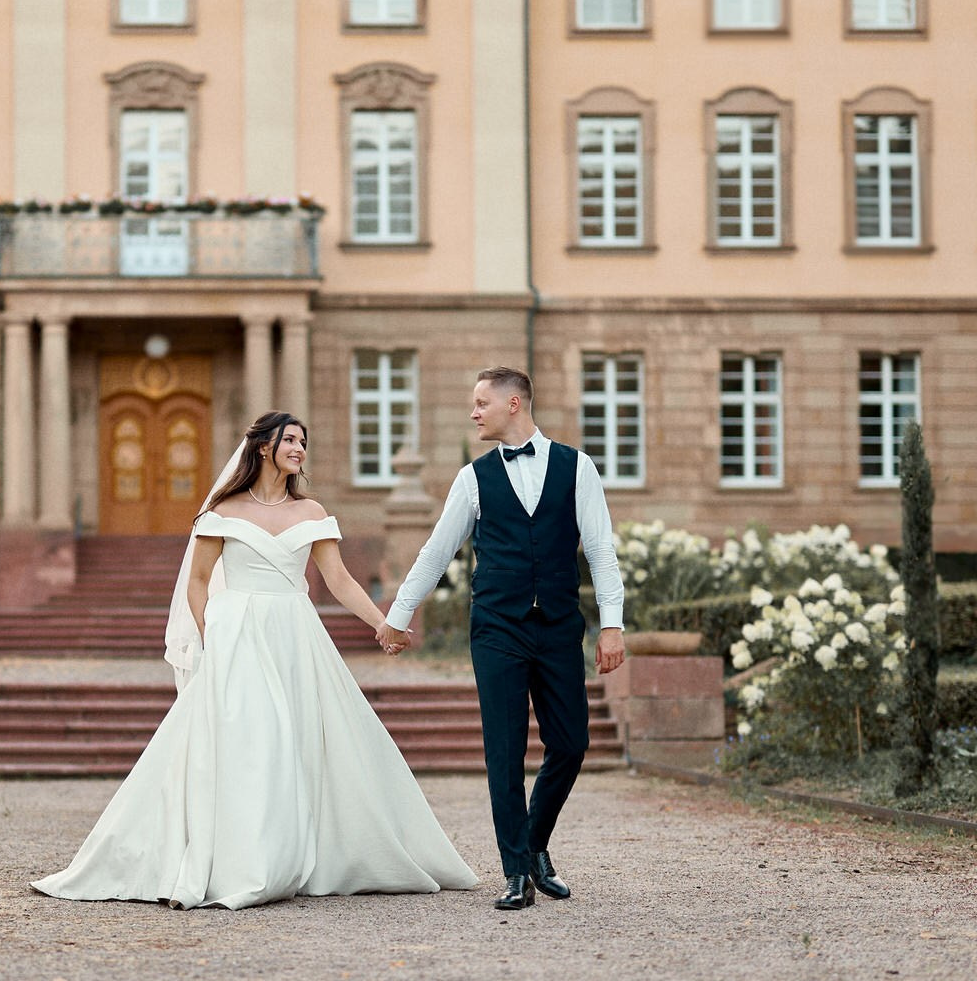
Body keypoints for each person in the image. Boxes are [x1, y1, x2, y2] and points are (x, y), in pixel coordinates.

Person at [33, 411, 479, 910]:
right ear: (265, 447)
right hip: (236, 632)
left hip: (294, 632)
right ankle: (246, 860)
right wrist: (212, 636)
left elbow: (339, 580)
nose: (299, 448)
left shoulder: (311, 513)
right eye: (290, 439)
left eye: (303, 442)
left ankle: (303, 851)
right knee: (252, 742)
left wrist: (382, 622)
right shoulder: (223, 510)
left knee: (304, 735)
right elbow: (197, 583)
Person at [378, 367, 625, 911]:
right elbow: (436, 552)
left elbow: (601, 551)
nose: (473, 413)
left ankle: (534, 844)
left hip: (559, 626)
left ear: (514, 403)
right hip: (497, 629)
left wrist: (612, 624)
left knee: (571, 743)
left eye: (480, 403)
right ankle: (516, 871)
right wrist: (398, 614)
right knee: (504, 751)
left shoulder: (577, 467)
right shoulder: (472, 478)